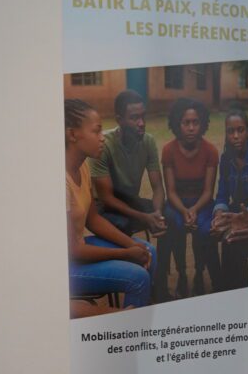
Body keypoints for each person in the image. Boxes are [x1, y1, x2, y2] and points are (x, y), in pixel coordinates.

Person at [64, 99, 157, 310]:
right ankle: (131, 328)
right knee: (138, 277)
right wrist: (125, 253)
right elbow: (73, 251)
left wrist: (132, 244)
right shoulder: (61, 181)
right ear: (72, 134)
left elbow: (93, 219)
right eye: (96, 131)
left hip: (80, 250)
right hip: (64, 267)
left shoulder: (82, 167)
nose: (102, 137)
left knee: (148, 249)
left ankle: (144, 313)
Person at [159, 98, 221, 298]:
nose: (191, 128)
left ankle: (200, 273)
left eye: (195, 122)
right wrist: (184, 211)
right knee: (174, 224)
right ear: (177, 124)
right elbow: (171, 191)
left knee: (204, 229)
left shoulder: (210, 151)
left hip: (202, 203)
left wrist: (194, 209)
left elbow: (208, 191)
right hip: (177, 203)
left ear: (202, 123)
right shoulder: (169, 150)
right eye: (186, 122)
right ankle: (182, 274)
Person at [90, 90, 167, 238]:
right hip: (104, 206)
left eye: (143, 116)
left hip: (130, 200)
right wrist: (144, 217)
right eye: (134, 118)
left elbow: (157, 187)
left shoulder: (148, 141)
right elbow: (106, 198)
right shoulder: (103, 145)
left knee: (168, 212)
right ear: (119, 120)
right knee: (123, 224)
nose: (142, 123)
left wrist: (158, 213)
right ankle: (129, 252)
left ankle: (161, 254)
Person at [211, 106, 248, 291]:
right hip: (234, 210)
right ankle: (226, 288)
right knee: (219, 233)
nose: (235, 136)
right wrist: (220, 214)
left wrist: (242, 218)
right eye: (231, 131)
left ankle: (241, 289)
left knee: (234, 237)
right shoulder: (225, 159)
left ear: (247, 131)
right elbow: (222, 194)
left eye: (240, 130)